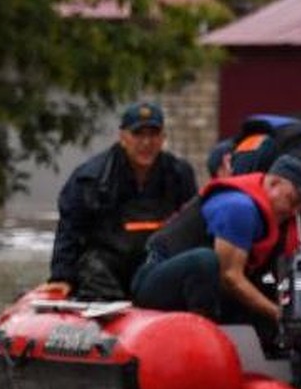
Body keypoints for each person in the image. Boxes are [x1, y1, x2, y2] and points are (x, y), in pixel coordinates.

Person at [131, 154, 301, 343]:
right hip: (155, 279)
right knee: (205, 261)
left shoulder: (284, 222)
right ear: (274, 184)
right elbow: (230, 277)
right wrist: (278, 313)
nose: (294, 211)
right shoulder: (239, 207)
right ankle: (204, 342)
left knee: (264, 292)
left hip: (208, 291)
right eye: (292, 201)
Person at [47, 100, 198, 301]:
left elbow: (192, 225)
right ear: (123, 137)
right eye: (138, 134)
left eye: (153, 135)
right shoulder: (91, 178)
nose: (146, 143)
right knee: (92, 265)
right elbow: (70, 230)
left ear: (163, 138)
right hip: (107, 265)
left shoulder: (179, 175)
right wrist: (61, 276)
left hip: (154, 263)